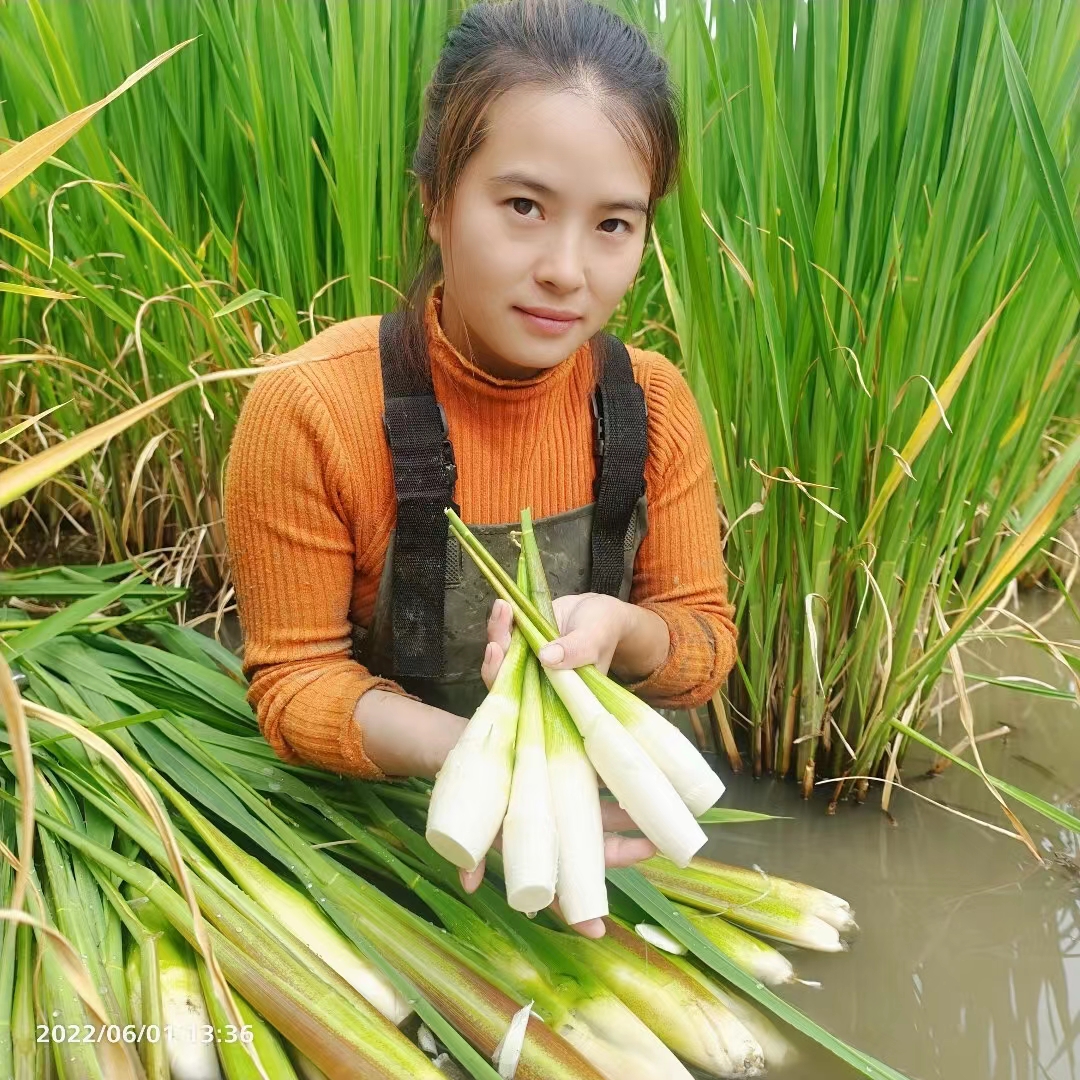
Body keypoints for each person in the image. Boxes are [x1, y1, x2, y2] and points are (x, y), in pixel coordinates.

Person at [224, 0, 738, 938]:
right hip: (386, 824)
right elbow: (293, 685)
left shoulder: (651, 404)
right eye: (524, 207)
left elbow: (704, 645)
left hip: (594, 827)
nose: (565, 270)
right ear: (435, 198)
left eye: (614, 224)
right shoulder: (312, 409)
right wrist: (488, 766)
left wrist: (627, 633)